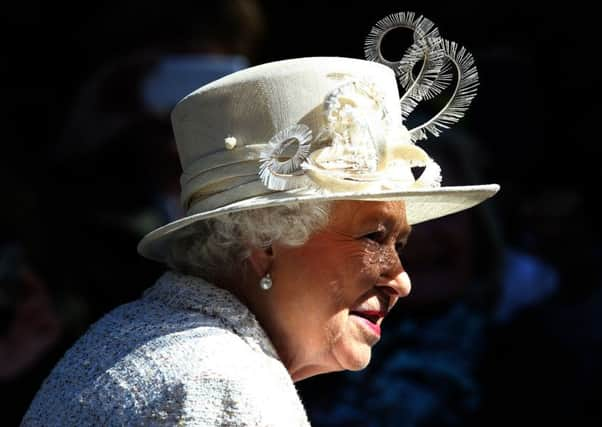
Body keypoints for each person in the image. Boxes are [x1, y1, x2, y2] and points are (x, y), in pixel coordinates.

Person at [21, 12, 499, 425]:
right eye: (374, 236)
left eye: (401, 242)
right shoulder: (225, 384)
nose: (402, 281)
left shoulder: (152, 333)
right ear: (266, 241)